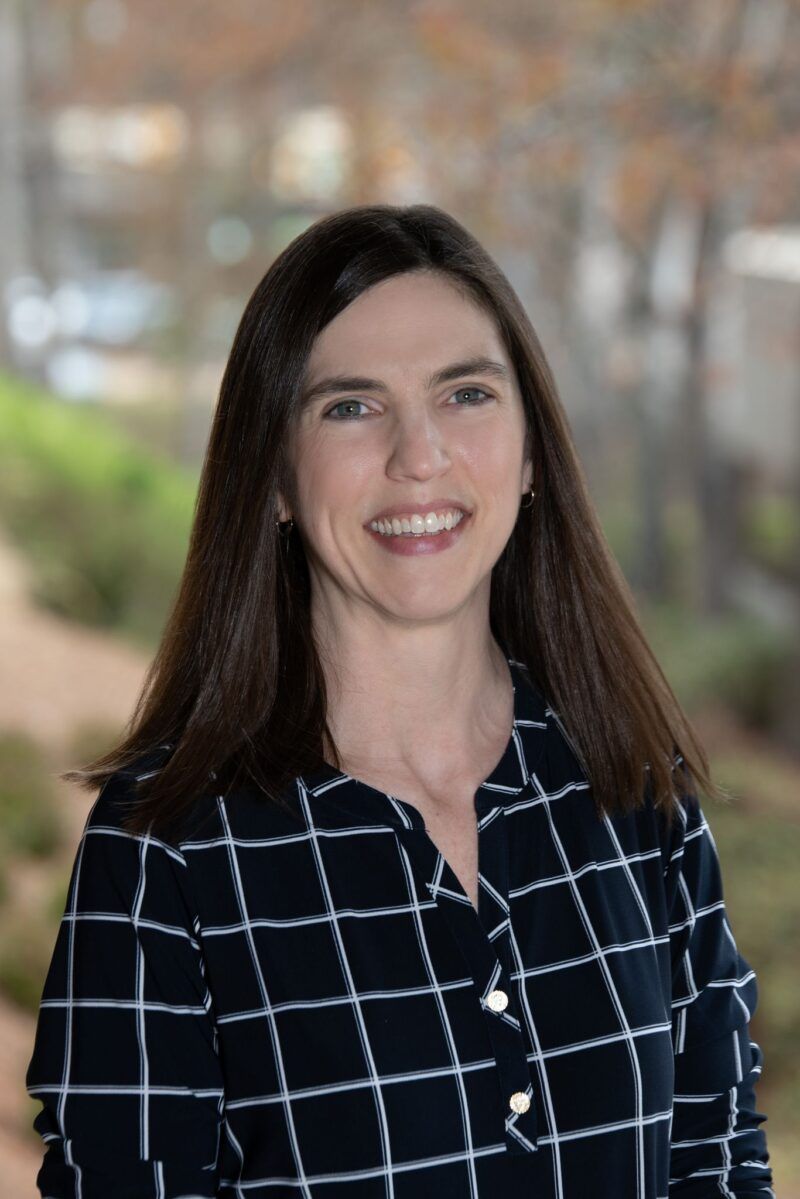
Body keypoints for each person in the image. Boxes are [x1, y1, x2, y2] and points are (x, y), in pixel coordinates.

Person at [25, 204, 773, 1197]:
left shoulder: (634, 788)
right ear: (276, 478)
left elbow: (716, 1165)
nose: (417, 455)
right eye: (350, 405)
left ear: (531, 450)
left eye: (464, 393)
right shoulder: (167, 849)